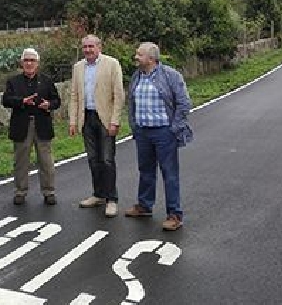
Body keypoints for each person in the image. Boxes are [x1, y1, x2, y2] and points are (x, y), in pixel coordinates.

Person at [124, 42, 193, 231]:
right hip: (143, 132)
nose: (136, 57)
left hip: (164, 132)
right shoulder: (137, 76)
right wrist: (135, 127)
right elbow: (131, 103)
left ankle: (174, 214)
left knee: (169, 173)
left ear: (151, 59)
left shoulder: (170, 75)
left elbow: (184, 103)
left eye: (139, 55)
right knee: (145, 170)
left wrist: (174, 128)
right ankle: (145, 205)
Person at [68, 34, 124, 217]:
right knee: (93, 159)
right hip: (87, 117)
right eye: (85, 47)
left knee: (107, 159)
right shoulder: (78, 67)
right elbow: (74, 95)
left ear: (99, 47)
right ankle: (98, 194)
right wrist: (73, 121)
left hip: (105, 118)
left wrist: (115, 120)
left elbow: (118, 95)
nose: (88, 50)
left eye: (91, 46)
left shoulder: (112, 64)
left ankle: (111, 199)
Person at [2, 48, 61, 205]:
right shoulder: (13, 81)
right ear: (21, 63)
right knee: (21, 161)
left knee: (46, 160)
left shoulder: (46, 81)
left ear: (37, 63)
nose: (29, 63)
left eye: (32, 60)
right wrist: (22, 102)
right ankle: (20, 191)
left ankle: (49, 191)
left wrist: (48, 104)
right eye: (26, 60)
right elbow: (6, 100)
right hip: (21, 124)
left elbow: (57, 101)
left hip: (42, 124)